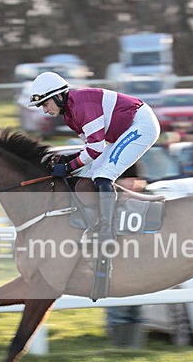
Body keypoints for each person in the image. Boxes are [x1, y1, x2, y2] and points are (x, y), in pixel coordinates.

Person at [29, 71, 160, 244]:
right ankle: (96, 223)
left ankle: (107, 231)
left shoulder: (82, 106)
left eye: (45, 103)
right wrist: (67, 160)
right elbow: (89, 150)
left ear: (59, 96)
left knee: (104, 175)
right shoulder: (69, 115)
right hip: (123, 131)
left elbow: (96, 149)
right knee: (90, 174)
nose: (45, 110)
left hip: (141, 125)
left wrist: (68, 167)